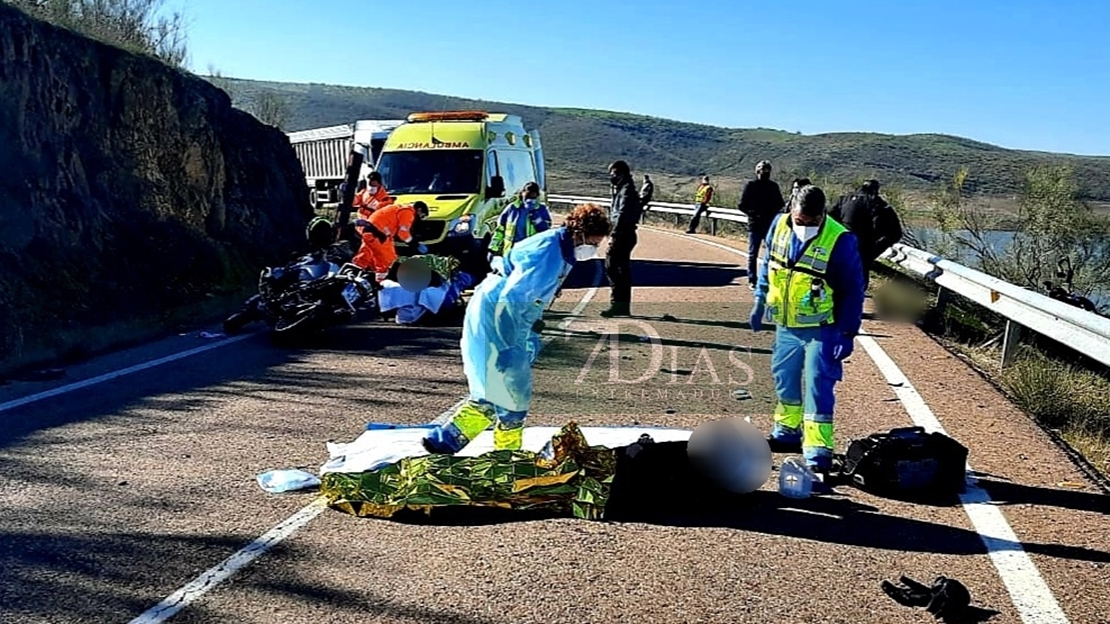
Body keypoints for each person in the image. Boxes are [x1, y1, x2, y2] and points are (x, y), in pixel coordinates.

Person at [422, 203, 614, 453]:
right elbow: (513, 302)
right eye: (594, 241)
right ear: (580, 232)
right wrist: (510, 345)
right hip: (499, 314)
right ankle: (507, 457)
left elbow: (529, 304)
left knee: (493, 389)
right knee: (512, 394)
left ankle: (446, 439)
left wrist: (531, 334)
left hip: (497, 310)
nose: (594, 248)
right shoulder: (550, 254)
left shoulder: (560, 247)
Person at [749, 185, 865, 474]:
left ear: (822, 214)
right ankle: (787, 432)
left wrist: (848, 331)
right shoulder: (778, 225)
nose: (806, 227)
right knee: (784, 379)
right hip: (786, 324)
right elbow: (769, 266)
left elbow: (853, 289)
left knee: (818, 385)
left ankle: (817, 449)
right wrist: (759, 301)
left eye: (812, 222)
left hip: (821, 327)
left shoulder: (840, 239)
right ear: (791, 210)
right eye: (801, 221)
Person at [828, 179, 904, 293]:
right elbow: (895, 233)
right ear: (876, 190)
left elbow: (828, 219)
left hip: (842, 245)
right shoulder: (878, 204)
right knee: (858, 284)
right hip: (864, 249)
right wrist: (875, 250)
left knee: (837, 279)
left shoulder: (844, 199)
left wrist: (833, 239)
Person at [603, 160, 644, 318]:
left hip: (623, 234)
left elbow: (622, 213)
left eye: (613, 174)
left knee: (612, 267)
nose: (611, 177)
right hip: (625, 233)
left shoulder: (626, 190)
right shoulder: (624, 189)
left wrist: (614, 234)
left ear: (620, 173)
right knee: (621, 270)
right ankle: (622, 306)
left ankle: (618, 305)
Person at [736, 161, 786, 289]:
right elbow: (742, 205)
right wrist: (753, 214)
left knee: (772, 254)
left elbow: (780, 204)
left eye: (766, 170)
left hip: (769, 225)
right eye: (762, 170)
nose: (764, 172)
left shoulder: (773, 186)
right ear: (757, 171)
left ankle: (769, 279)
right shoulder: (751, 186)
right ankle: (752, 279)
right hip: (756, 225)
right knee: (753, 254)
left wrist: (774, 215)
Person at [352, 201, 430, 277]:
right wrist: (414, 243)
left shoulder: (399, 208)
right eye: (422, 216)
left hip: (370, 231)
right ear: (419, 210)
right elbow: (403, 233)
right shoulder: (408, 213)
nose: (421, 219)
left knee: (366, 255)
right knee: (387, 259)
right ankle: (380, 283)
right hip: (379, 234)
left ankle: (353, 273)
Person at [488, 181, 552, 271]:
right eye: (528, 194)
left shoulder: (541, 209)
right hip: (510, 253)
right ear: (522, 193)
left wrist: (534, 213)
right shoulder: (512, 208)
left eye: (533, 196)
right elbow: (500, 230)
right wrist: (493, 248)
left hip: (530, 254)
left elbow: (545, 231)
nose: (530, 198)